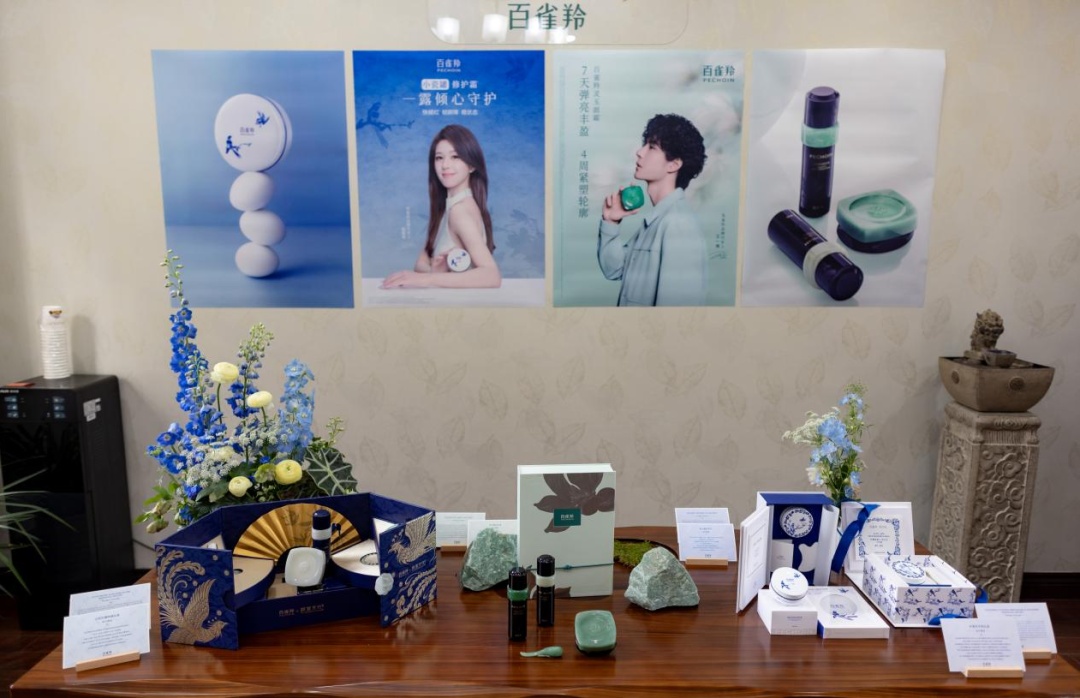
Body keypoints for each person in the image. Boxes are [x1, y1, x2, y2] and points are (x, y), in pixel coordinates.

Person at [597, 113, 708, 306]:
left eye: (652, 147)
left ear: (674, 164)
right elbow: (615, 270)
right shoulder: (658, 220)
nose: (639, 152)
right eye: (644, 144)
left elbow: (676, 315)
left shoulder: (678, 225)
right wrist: (611, 222)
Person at [382, 124, 502, 289]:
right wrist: (435, 272)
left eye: (455, 156)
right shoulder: (448, 207)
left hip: (459, 304)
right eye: (439, 158)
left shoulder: (459, 211)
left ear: (472, 165)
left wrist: (427, 279)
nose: (445, 165)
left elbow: (491, 275)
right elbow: (420, 263)